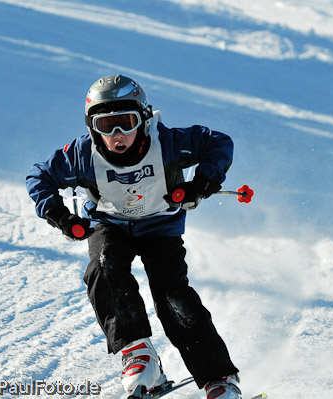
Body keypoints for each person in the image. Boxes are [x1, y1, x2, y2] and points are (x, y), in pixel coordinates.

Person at [26, 74, 241, 399]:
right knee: (102, 269)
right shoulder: (84, 154)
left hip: (160, 226)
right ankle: (138, 353)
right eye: (105, 125)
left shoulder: (166, 141)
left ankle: (219, 378)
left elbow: (218, 143)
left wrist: (201, 184)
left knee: (172, 297)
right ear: (91, 127)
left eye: (125, 123)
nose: (117, 135)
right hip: (110, 225)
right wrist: (61, 217)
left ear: (143, 117)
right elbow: (39, 176)